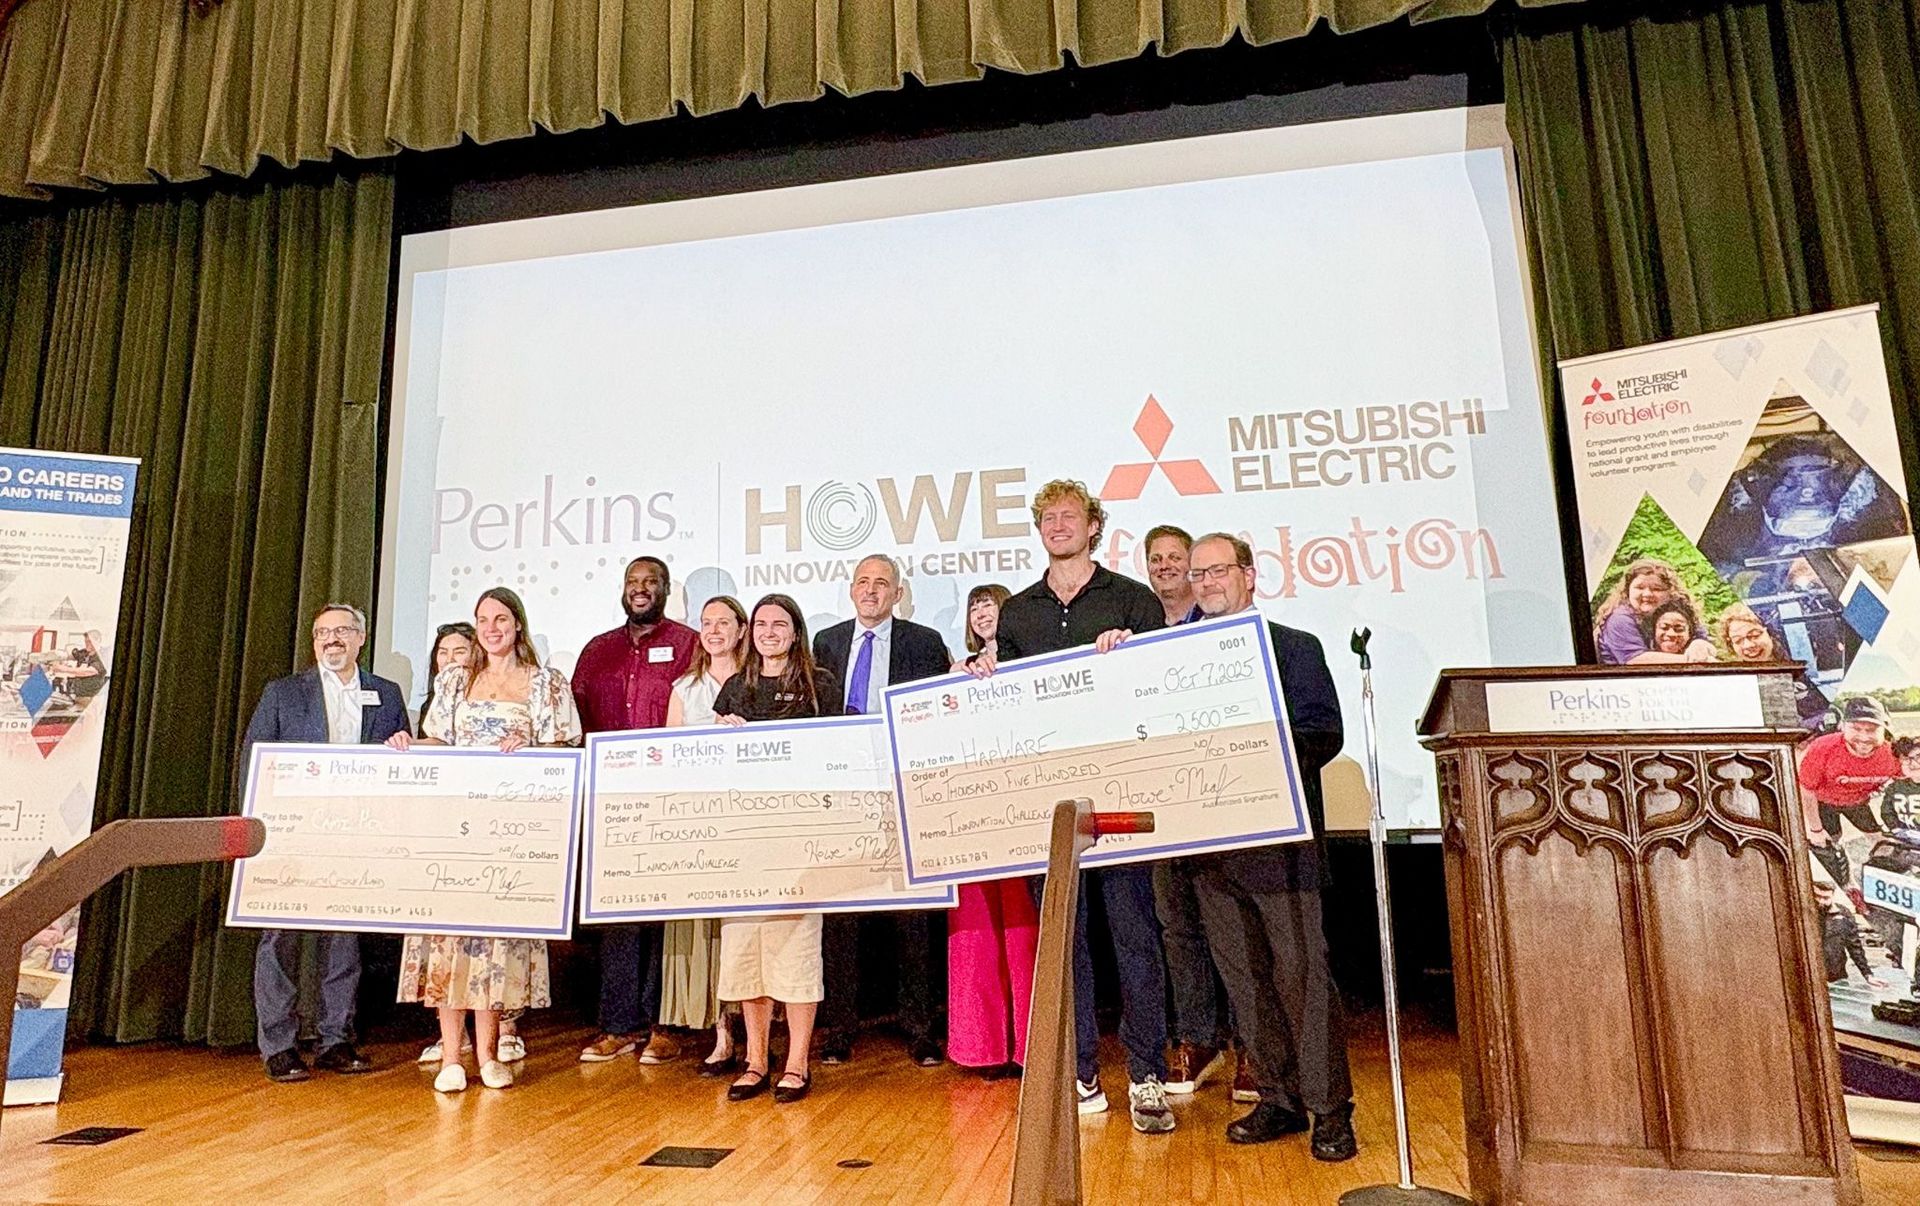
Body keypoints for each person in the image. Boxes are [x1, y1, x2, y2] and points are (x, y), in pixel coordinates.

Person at [965, 478, 1175, 1135]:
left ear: (1093, 527)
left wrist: (1133, 657)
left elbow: (1159, 692)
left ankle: (1146, 1076)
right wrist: (985, 678)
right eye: (1047, 517)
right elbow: (1011, 709)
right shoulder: (1019, 613)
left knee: (1136, 940)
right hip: (1048, 808)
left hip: (1121, 802)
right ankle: (1083, 1071)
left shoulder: (1134, 601)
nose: (1058, 525)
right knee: (1066, 944)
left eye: (1070, 516)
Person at [1170, 532, 1357, 1159]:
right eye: (1197, 575)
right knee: (1244, 980)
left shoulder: (1295, 649)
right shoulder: (1170, 660)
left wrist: (1252, 752)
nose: (1206, 583)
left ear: (1250, 576)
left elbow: (1322, 732)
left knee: (1302, 976)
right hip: (1209, 849)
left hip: (1281, 847)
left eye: (1217, 571)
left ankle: (1331, 1109)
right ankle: (1279, 1098)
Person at [387, 587, 581, 1093]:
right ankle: (452, 1055)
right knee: (448, 941)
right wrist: (409, 743)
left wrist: (534, 747)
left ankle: (490, 1053)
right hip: (453, 829)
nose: (491, 628)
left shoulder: (546, 685)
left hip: (510, 836)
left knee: (495, 946)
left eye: (500, 618)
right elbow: (441, 744)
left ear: (518, 624)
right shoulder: (455, 680)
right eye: (482, 620)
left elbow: (566, 754)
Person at [243, 603, 409, 1083]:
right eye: (322, 633)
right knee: (279, 939)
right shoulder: (283, 694)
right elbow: (254, 762)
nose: (331, 640)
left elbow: (404, 762)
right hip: (289, 834)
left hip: (357, 833)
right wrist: (255, 831)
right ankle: (279, 1045)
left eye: (341, 631)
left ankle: (337, 1040)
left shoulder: (387, 694)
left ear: (360, 638)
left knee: (345, 940)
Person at [813, 553, 954, 1067]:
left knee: (911, 916)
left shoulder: (924, 643)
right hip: (844, 795)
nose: (871, 591)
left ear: (897, 594)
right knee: (841, 917)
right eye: (863, 582)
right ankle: (840, 1029)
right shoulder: (825, 643)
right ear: (851, 590)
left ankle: (919, 1028)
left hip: (903, 791)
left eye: (882, 584)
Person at [571, 556, 699, 1065]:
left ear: (666, 590)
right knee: (618, 916)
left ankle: (665, 1024)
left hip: (670, 798)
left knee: (667, 915)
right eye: (633, 582)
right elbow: (574, 722)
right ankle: (619, 1024)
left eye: (651, 582)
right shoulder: (597, 650)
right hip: (610, 800)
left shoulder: (690, 643)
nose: (641, 589)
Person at [713, 594, 838, 1104]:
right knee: (746, 954)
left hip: (799, 838)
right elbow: (710, 766)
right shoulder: (733, 688)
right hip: (744, 842)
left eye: (779, 624)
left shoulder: (820, 685)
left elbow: (838, 752)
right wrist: (722, 739)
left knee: (797, 951)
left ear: (795, 631)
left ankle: (797, 1062)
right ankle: (756, 1060)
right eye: (760, 623)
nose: (768, 632)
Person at [945, 582, 1039, 1078]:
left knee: (1025, 930)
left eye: (992, 604)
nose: (983, 612)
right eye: (975, 606)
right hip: (970, 813)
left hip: (1022, 807)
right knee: (975, 930)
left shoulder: (1036, 661)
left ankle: (1030, 1044)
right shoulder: (954, 672)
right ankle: (981, 1045)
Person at [661, 595, 750, 1076]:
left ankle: (756, 1032)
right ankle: (720, 1033)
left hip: (747, 824)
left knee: (743, 929)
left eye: (724, 622)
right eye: (706, 623)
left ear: (742, 629)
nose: (714, 630)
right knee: (707, 932)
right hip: (699, 825)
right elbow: (668, 758)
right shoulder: (686, 688)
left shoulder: (758, 683)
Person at [1798, 696, 1896, 851]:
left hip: (1857, 802)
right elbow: (1806, 790)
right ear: (1842, 726)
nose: (1863, 738)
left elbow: (1911, 782)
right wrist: (1816, 829)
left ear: (1885, 729)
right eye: (1856, 729)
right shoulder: (1822, 748)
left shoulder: (1893, 754)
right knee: (1828, 842)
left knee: (1882, 842)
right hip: (1824, 802)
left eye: (1872, 730)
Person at [1717, 604, 1829, 729]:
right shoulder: (1739, 684)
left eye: (1754, 635)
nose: (1747, 645)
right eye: (1737, 641)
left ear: (1770, 633)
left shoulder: (1802, 661)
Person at [1592, 558, 1714, 664]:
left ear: (1670, 593)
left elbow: (1705, 642)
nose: (1647, 594)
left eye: (1657, 589)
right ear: (1627, 590)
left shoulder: (1680, 613)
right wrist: (1691, 661)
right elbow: (1635, 660)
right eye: (1639, 587)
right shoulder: (1620, 618)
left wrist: (1699, 644)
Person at [415, 622, 477, 738]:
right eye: (443, 652)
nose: (449, 660)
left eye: (459, 652)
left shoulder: (483, 701)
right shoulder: (430, 705)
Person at [1143, 524, 1202, 627]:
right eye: (1156, 559)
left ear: (1193, 563)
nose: (1164, 566)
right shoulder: (1137, 621)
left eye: (1174, 558)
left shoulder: (1214, 614)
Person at [952, 583, 1009, 672]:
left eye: (987, 605)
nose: (980, 615)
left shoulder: (1031, 655)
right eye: (974, 609)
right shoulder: (961, 669)